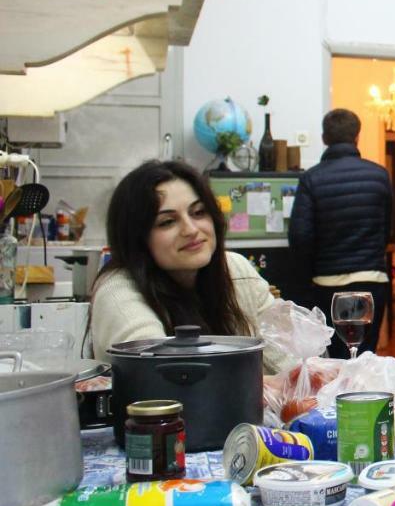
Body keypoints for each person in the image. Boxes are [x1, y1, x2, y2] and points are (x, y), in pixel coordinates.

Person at [91, 159, 287, 373]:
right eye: (167, 222)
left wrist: (304, 372)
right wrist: (271, 385)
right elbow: (159, 377)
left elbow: (288, 355)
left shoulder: (235, 268)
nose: (191, 230)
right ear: (137, 238)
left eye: (198, 212)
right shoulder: (117, 292)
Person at [288, 108, 392, 357]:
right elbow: (386, 228)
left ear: (324, 138)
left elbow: (300, 237)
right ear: (357, 136)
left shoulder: (311, 178)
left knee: (334, 357)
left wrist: (306, 280)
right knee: (364, 355)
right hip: (371, 279)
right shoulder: (379, 175)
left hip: (327, 283)